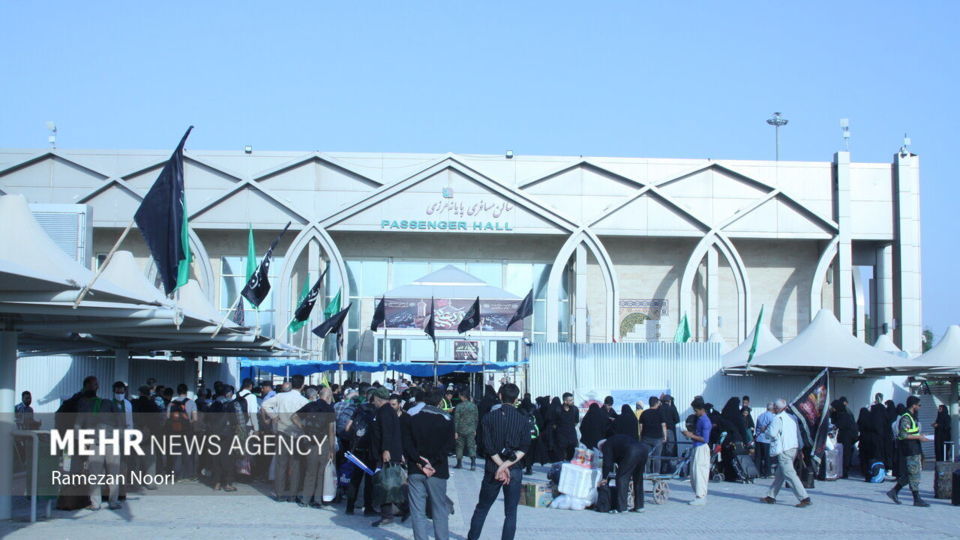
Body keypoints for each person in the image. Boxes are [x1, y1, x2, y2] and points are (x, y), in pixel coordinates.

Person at [467, 383, 530, 540]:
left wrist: (500, 466)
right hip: (514, 468)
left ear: (500, 396)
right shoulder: (523, 419)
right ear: (516, 399)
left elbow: (487, 446)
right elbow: (524, 448)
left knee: (482, 508)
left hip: (492, 468)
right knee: (511, 512)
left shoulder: (488, 417)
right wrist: (506, 465)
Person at [404, 389, 456, 540]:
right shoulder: (447, 420)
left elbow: (407, 444)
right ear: (440, 402)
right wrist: (432, 462)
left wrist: (420, 461)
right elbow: (449, 446)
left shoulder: (412, 418)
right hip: (437, 469)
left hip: (416, 468)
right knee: (439, 508)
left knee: (417, 510)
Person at [261, 374, 309, 501]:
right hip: (297, 434)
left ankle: (279, 493)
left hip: (282, 431)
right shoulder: (304, 401)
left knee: (281, 464)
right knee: (295, 465)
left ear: (291, 384)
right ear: (302, 386)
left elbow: (265, 404)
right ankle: (293, 494)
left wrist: (274, 416)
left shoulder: (281, 396)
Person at [760, 398, 811, 507]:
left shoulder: (777, 418)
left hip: (784, 450)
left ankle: (804, 498)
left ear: (777, 408)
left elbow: (772, 433)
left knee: (789, 474)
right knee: (780, 474)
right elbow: (798, 434)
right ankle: (771, 496)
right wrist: (800, 449)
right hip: (793, 448)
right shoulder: (793, 418)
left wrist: (765, 430)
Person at [886, 396, 931, 507]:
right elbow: (903, 435)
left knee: (912, 473)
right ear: (913, 405)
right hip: (910, 449)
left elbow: (913, 432)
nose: (919, 407)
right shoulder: (906, 417)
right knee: (914, 473)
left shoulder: (912, 416)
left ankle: (894, 491)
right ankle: (916, 498)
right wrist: (918, 437)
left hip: (914, 448)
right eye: (919, 405)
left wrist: (920, 435)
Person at [295, 386, 335, 507]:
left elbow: (294, 417)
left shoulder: (310, 405)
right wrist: (332, 449)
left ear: (319, 395)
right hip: (324, 442)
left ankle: (305, 499)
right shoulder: (329, 409)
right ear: (328, 397)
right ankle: (317, 500)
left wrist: (303, 428)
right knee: (321, 472)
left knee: (310, 472)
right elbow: (331, 431)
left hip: (310, 442)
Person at [371, 387, 405, 527]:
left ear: (378, 399)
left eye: (374, 400)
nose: (373, 402)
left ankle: (389, 514)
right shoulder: (388, 411)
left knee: (386, 484)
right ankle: (391, 512)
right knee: (389, 483)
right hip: (388, 452)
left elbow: (387, 432)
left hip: (387, 454)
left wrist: (385, 450)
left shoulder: (384, 412)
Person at [344, 388, 378, 516]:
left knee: (355, 478)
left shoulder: (359, 408)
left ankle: (349, 507)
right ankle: (368, 507)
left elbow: (347, 427)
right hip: (370, 449)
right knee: (370, 479)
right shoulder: (377, 411)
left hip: (358, 448)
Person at [597, 435, 649, 513]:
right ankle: (639, 506)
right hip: (643, 449)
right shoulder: (616, 441)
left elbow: (607, 463)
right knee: (638, 478)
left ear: (601, 447)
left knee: (621, 478)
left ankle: (622, 508)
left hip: (632, 451)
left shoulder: (606, 445)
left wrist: (604, 478)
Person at [208, 384, 244, 492]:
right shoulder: (234, 404)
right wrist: (242, 433)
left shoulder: (213, 404)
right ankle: (228, 483)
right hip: (228, 434)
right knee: (228, 458)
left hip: (214, 434)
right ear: (229, 393)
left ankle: (217, 483)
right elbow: (240, 419)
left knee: (216, 458)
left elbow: (207, 419)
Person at [681, 396, 711, 506]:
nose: (695, 412)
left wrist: (691, 435)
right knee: (694, 473)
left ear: (701, 409)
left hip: (702, 448)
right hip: (696, 446)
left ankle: (701, 496)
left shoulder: (705, 421)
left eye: (696, 410)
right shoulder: (699, 419)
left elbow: (705, 439)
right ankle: (698, 495)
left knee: (700, 473)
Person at [166, 383, 198, 480]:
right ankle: (189, 474)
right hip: (188, 431)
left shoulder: (171, 403)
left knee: (176, 453)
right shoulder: (191, 403)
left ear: (177, 391)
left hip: (175, 430)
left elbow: (168, 417)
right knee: (188, 452)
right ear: (186, 391)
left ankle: (177, 475)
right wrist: (189, 423)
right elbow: (195, 418)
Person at [831, 397, 858, 479]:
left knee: (845, 454)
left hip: (847, 437)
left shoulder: (844, 415)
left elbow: (839, 425)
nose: (832, 409)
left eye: (833, 407)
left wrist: (835, 426)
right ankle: (842, 471)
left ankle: (844, 472)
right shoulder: (840, 413)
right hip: (845, 437)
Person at [638, 396, 667, 472]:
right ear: (656, 403)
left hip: (646, 438)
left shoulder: (644, 413)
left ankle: (646, 473)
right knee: (657, 457)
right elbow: (663, 425)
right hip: (658, 438)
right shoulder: (660, 413)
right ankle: (656, 474)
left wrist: (640, 437)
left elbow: (641, 427)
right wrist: (665, 436)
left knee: (646, 457)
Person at [454, 389, 479, 470]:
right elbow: (476, 419)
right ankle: (473, 463)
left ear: (462, 396)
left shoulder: (459, 406)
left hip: (460, 430)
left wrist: (455, 431)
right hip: (471, 429)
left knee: (459, 446)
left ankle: (459, 463)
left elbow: (456, 420)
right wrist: (475, 429)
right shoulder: (474, 406)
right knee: (471, 446)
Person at [754, 402, 776, 478]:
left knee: (758, 457)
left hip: (758, 438)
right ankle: (767, 473)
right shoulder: (772, 417)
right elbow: (772, 428)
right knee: (767, 457)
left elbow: (757, 427)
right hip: (766, 439)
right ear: (773, 409)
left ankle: (757, 472)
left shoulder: (760, 416)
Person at [557, 392, 580, 461]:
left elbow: (576, 422)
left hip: (572, 437)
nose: (572, 401)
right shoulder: (558, 410)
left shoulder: (575, 409)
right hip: (561, 437)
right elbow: (554, 423)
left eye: (572, 400)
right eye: (570, 400)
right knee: (561, 458)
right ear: (565, 401)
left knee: (572, 457)